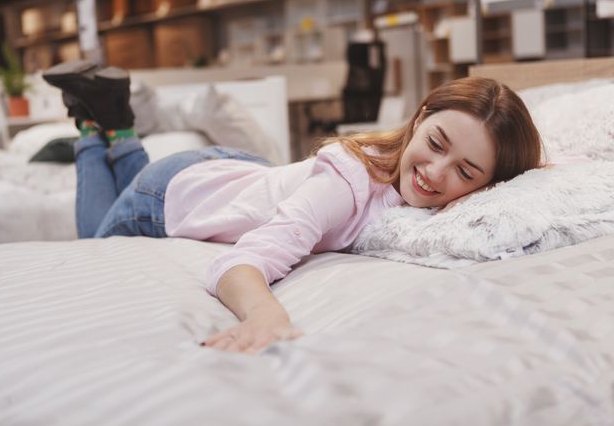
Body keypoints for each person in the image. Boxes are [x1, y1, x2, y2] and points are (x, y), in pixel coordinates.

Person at [43, 60, 542, 355]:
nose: (437, 172)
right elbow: (240, 260)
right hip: (174, 193)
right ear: (420, 117)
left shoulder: (416, 184)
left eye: (466, 172)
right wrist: (263, 315)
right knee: (96, 240)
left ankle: (112, 116)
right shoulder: (346, 183)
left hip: (239, 172)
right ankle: (93, 127)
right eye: (436, 143)